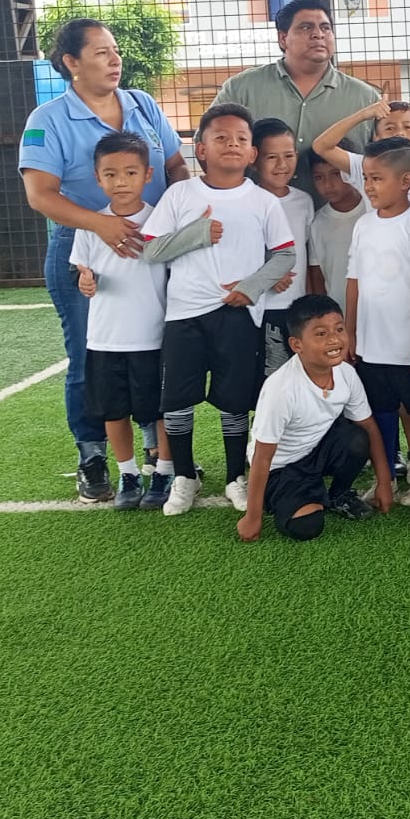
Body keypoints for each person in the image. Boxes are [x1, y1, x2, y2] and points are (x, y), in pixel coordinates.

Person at [20, 17, 188, 502]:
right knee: (90, 358)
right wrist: (101, 226)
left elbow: (176, 165)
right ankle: (93, 456)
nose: (115, 60)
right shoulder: (48, 119)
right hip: (86, 249)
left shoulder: (143, 104)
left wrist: (174, 219)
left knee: (155, 352)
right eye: (101, 53)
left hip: (154, 249)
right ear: (71, 62)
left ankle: (158, 455)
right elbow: (40, 194)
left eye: (115, 51)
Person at [142, 104, 297, 517]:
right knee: (178, 399)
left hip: (239, 315)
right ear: (201, 149)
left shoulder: (262, 201)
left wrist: (250, 288)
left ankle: (233, 477)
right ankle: (184, 476)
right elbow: (151, 249)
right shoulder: (180, 195)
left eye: (241, 139)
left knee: (234, 399)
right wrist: (197, 233)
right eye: (221, 138)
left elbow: (285, 255)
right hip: (185, 315)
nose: (232, 145)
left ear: (252, 153)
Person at [68, 132, 174, 510]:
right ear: (98, 178)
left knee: (159, 410)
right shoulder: (90, 225)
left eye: (130, 172)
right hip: (105, 338)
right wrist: (85, 281)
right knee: (114, 412)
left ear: (148, 174)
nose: (121, 182)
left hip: (153, 337)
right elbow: (82, 272)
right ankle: (128, 474)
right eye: (110, 174)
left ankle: (164, 471)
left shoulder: (161, 220)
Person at [237, 294, 395, 543]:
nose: (334, 339)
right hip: (282, 466)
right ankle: (293, 494)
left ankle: (339, 494)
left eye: (339, 329)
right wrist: (252, 517)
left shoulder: (346, 373)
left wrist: (384, 482)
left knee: (358, 438)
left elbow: (368, 425)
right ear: (296, 344)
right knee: (306, 526)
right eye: (321, 333)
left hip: (316, 449)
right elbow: (263, 456)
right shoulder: (281, 389)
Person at [210, 0, 381, 194]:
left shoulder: (365, 99)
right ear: (283, 38)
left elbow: (386, 162)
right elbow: (207, 147)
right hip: (256, 211)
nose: (318, 34)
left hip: (342, 213)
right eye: (306, 27)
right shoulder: (241, 89)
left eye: (325, 28)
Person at [344, 137, 410, 499]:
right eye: (366, 178)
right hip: (371, 344)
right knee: (380, 408)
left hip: (409, 346)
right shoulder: (364, 224)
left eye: (377, 178)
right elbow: (354, 280)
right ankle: (387, 476)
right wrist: (351, 331)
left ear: (406, 180)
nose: (368, 186)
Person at [252, 117, 317, 378]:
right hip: (265, 308)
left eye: (289, 156)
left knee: (302, 377)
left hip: (297, 307)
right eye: (272, 157)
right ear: (254, 159)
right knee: (272, 378)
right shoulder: (248, 200)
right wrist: (269, 276)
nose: (282, 165)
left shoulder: (304, 201)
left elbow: (307, 254)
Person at [312, 99, 410, 215]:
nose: (400, 133)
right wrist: (363, 115)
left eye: (407, 127)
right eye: (390, 128)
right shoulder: (365, 167)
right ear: (376, 138)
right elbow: (321, 146)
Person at [305, 150, 367, 313]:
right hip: (339, 314)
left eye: (336, 174)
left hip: (376, 311)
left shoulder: (372, 210)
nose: (328, 185)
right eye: (319, 177)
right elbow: (317, 275)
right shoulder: (317, 223)